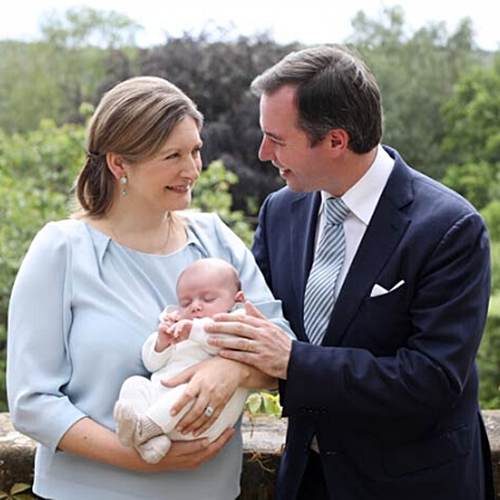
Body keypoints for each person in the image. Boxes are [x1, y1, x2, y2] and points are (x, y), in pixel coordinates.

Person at [205, 45, 496, 500]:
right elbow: (253, 320)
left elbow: (432, 379)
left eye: (277, 139)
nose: (263, 153)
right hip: (305, 477)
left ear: (336, 141)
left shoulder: (449, 228)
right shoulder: (281, 210)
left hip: (413, 485)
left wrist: (293, 362)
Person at [6, 76, 292, 500]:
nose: (192, 169)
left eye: (195, 150)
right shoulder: (62, 249)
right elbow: (32, 401)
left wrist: (229, 369)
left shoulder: (215, 239)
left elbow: (281, 350)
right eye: (172, 155)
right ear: (119, 164)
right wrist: (137, 459)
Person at [114, 258, 249, 465]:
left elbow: (222, 341)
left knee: (193, 387)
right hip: (162, 410)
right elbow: (152, 364)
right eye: (186, 302)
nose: (195, 307)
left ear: (236, 299)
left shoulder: (239, 321)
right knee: (135, 383)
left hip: (198, 417)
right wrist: (162, 343)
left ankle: (143, 429)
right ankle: (149, 440)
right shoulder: (177, 325)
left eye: (208, 299)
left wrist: (192, 331)